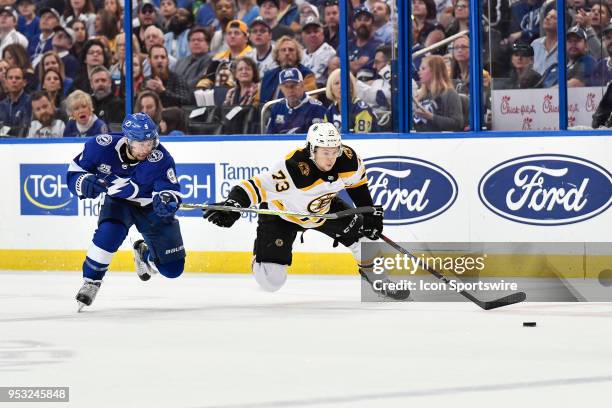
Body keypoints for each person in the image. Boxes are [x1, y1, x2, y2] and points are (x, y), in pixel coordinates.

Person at [202, 122, 408, 300]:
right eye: (325, 152)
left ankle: (379, 280)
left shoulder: (348, 159)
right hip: (283, 215)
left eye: (334, 151)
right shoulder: (292, 168)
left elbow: (358, 187)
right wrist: (233, 206)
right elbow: (254, 186)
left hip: (323, 209)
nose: (331, 158)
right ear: (312, 149)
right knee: (271, 282)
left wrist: (368, 213)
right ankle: (261, 255)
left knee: (365, 235)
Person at [67, 112, 186, 311]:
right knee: (108, 234)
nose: (146, 148)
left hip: (149, 207)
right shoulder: (100, 147)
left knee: (173, 269)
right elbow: (75, 171)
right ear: (128, 139)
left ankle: (145, 253)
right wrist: (82, 182)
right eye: (140, 143)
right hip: (119, 202)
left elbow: (171, 189)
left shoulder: (161, 157)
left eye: (149, 142)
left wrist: (168, 199)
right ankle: (91, 281)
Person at [266, 67, 325, 134]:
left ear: (302, 85)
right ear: (281, 88)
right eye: (286, 86)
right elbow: (269, 137)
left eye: (294, 85)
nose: (290, 90)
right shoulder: (278, 107)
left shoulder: (316, 108)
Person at [413, 55, 463, 132]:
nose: (419, 72)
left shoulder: (450, 94)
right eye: (419, 69)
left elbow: (457, 123)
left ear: (434, 71)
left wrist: (431, 117)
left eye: (423, 69)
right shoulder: (420, 95)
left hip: (440, 141)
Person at [325, 68, 377, 133]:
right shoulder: (330, 110)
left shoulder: (362, 109)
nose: (341, 86)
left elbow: (360, 138)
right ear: (331, 89)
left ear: (351, 87)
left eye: (344, 83)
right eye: (336, 83)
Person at [300, 15, 336, 88]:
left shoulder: (329, 52)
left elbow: (319, 80)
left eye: (316, 31)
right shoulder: (300, 55)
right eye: (308, 32)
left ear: (322, 33)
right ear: (302, 36)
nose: (313, 35)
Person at [0, 66, 31, 133]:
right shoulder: (1, 105)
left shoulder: (31, 102)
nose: (14, 81)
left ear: (24, 82)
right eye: (10, 78)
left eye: (17, 78)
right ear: (6, 82)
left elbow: (26, 128)